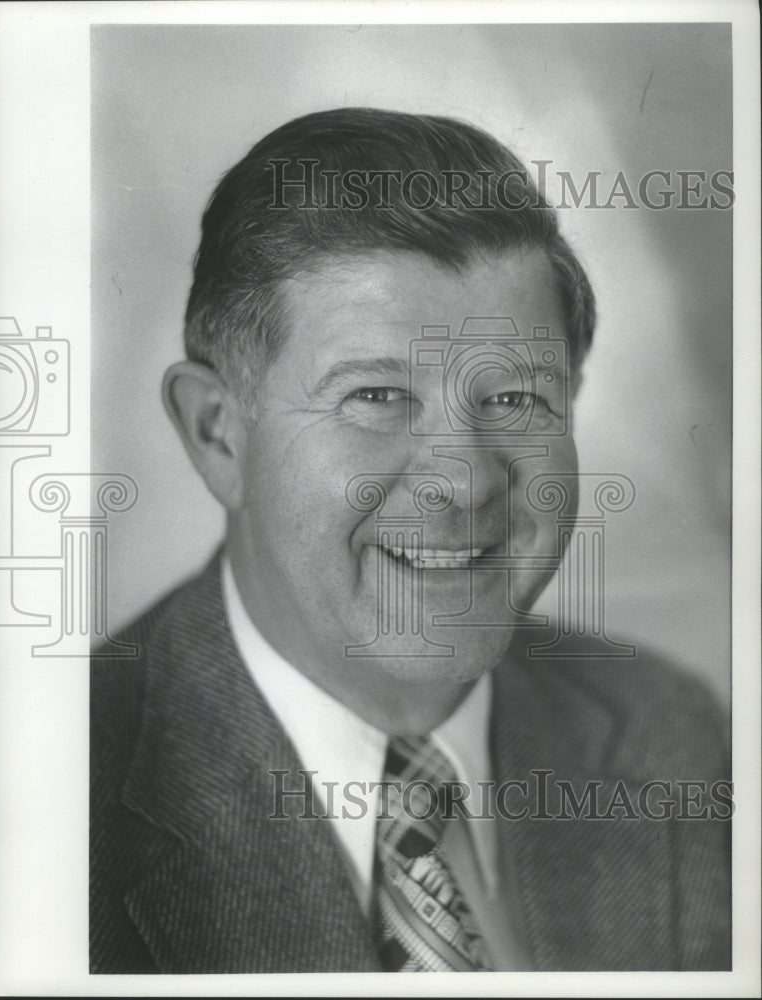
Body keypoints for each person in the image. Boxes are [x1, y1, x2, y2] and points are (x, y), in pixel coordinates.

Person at [89, 108, 730, 973]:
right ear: (217, 434)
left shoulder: (669, 735)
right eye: (377, 397)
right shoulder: (52, 798)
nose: (463, 481)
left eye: (514, 399)